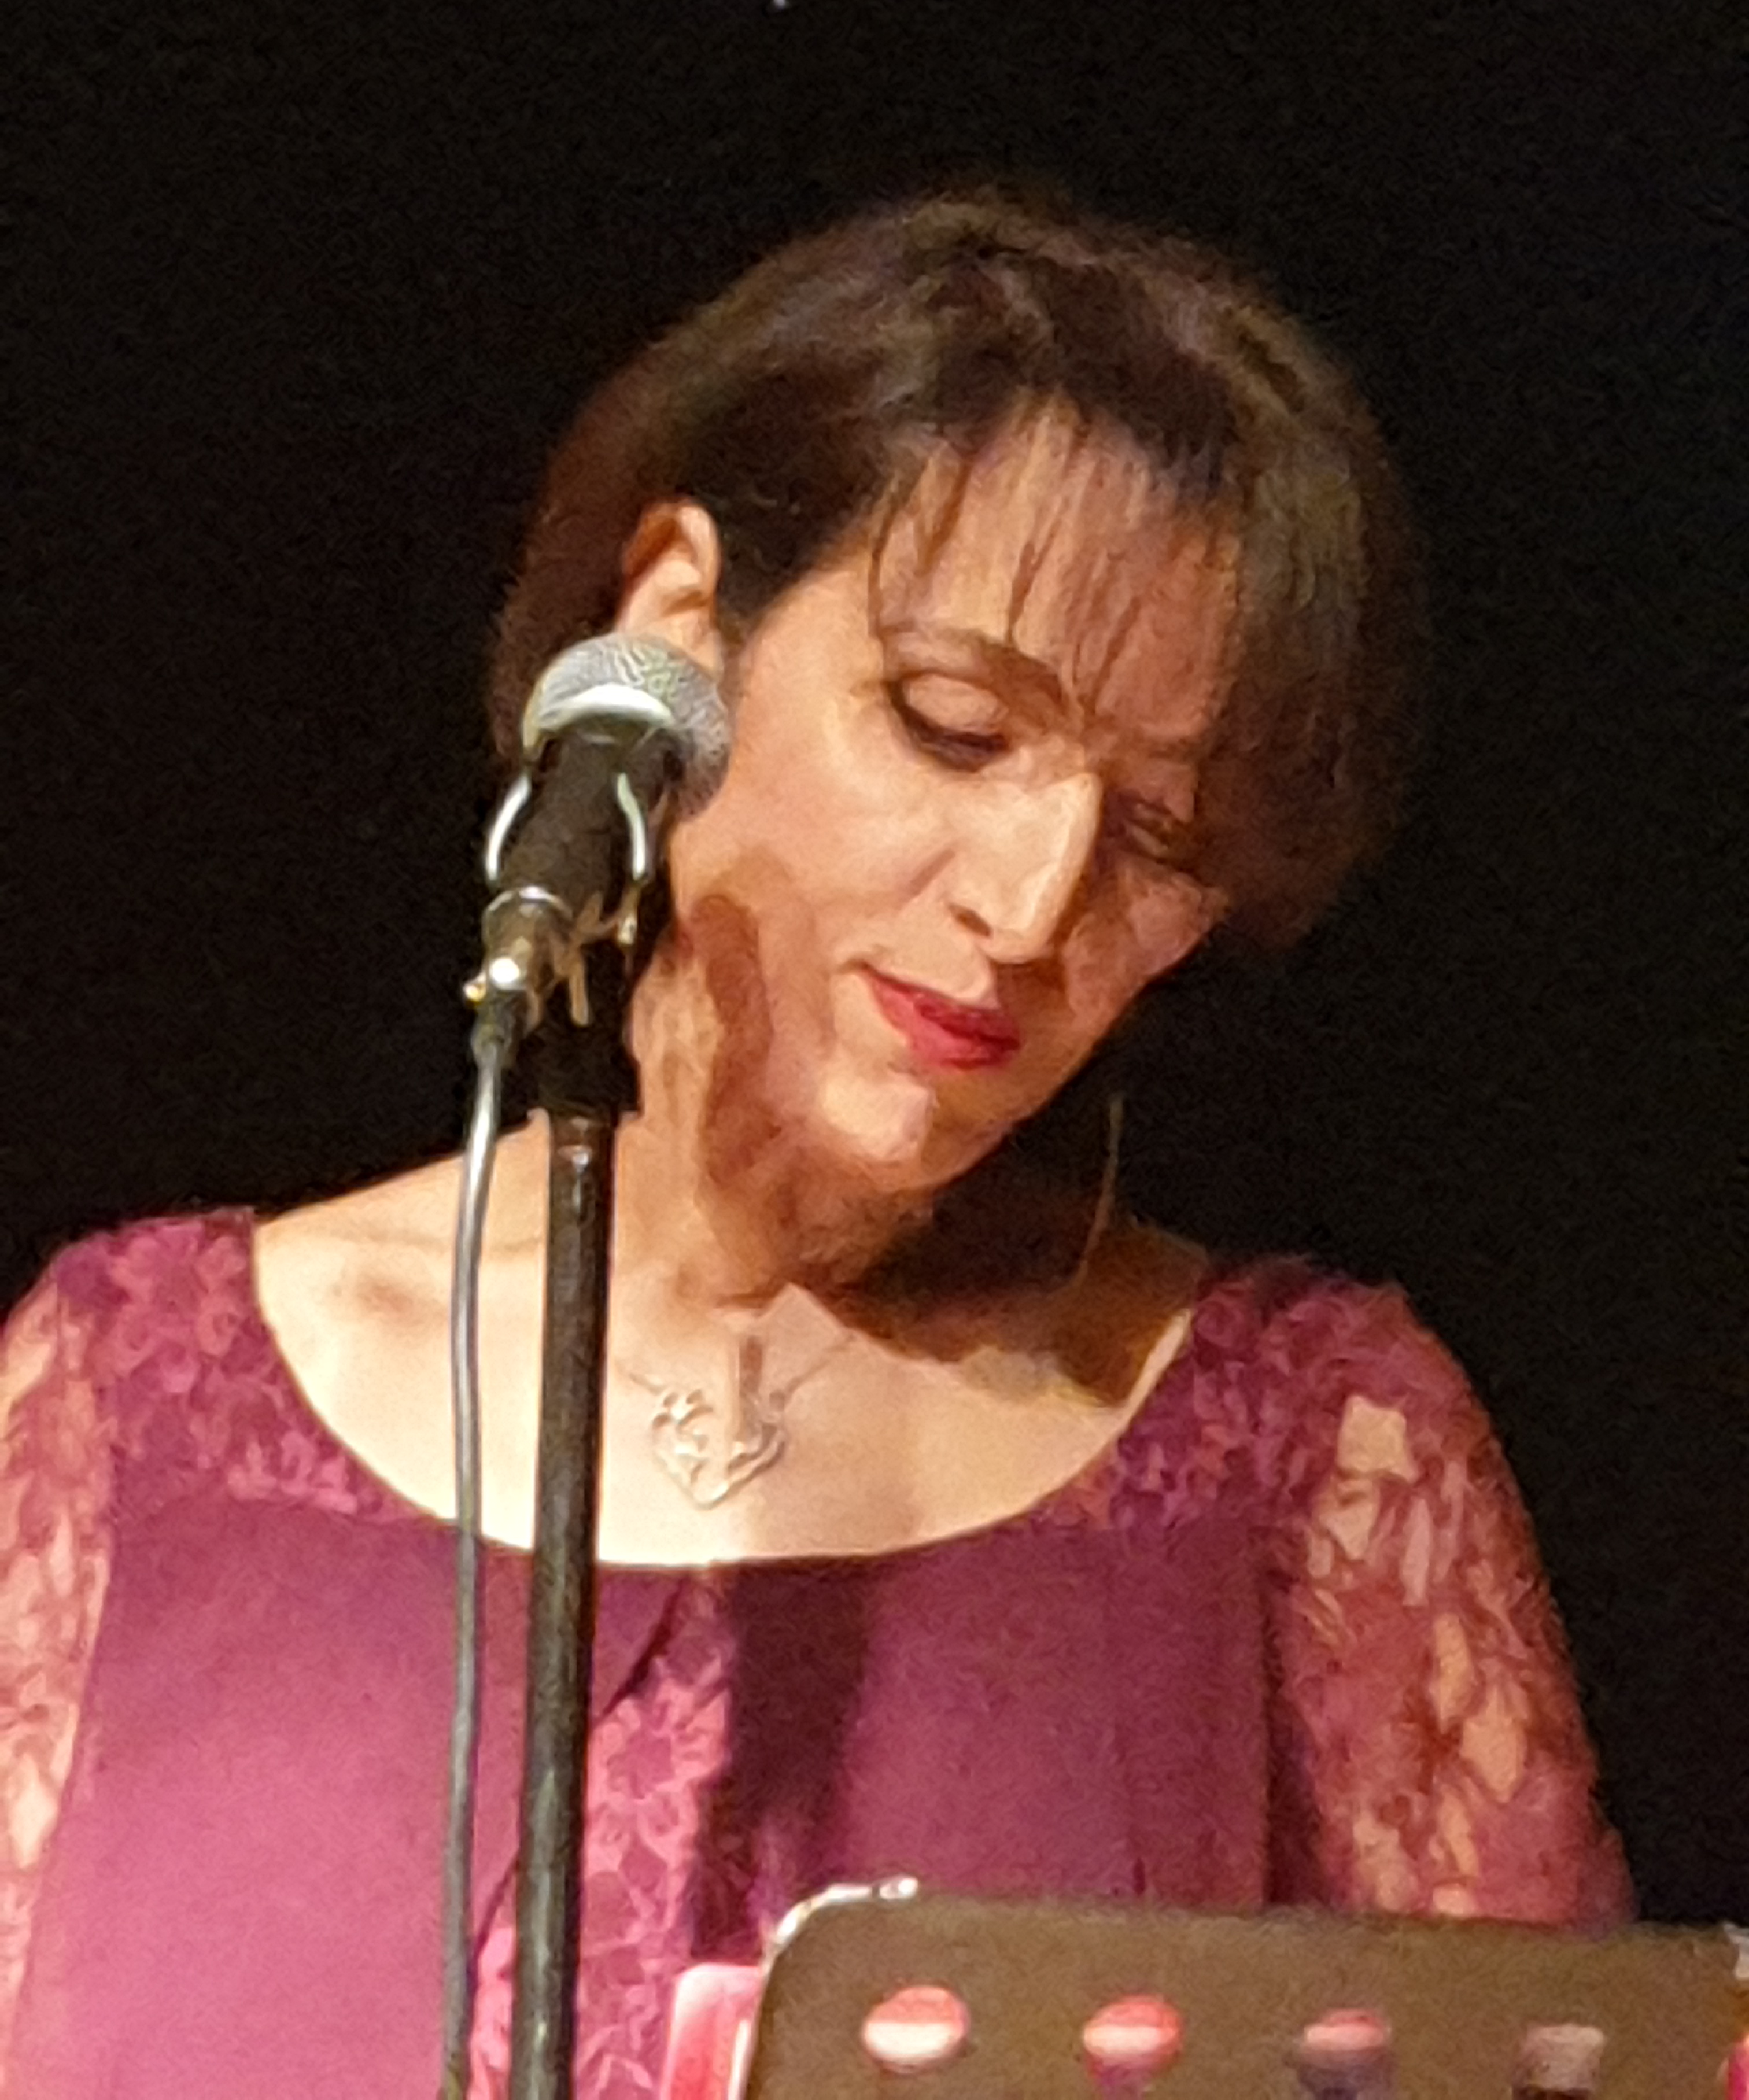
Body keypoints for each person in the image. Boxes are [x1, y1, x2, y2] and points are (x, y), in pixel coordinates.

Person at [0, 190, 1629, 2097]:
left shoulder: (1304, 1455)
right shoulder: (131, 1400)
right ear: (677, 628)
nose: (1031, 906)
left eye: (1160, 838)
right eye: (953, 728)